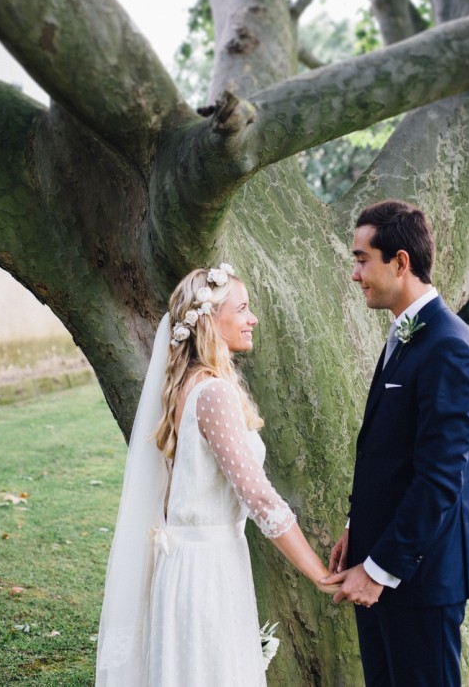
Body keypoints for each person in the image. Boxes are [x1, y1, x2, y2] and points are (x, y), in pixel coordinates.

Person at [96, 264, 334, 686]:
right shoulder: (214, 393)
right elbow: (259, 499)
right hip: (206, 573)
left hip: (187, 566)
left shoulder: (186, 384)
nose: (252, 318)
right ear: (209, 320)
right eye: (242, 309)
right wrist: (319, 574)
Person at [323, 200, 469, 687]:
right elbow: (388, 455)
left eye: (361, 259)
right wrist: (359, 527)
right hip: (379, 562)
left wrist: (377, 569)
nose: (355, 275)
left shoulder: (448, 345)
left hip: (419, 578)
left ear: (400, 262)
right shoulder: (405, 334)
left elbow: (438, 478)